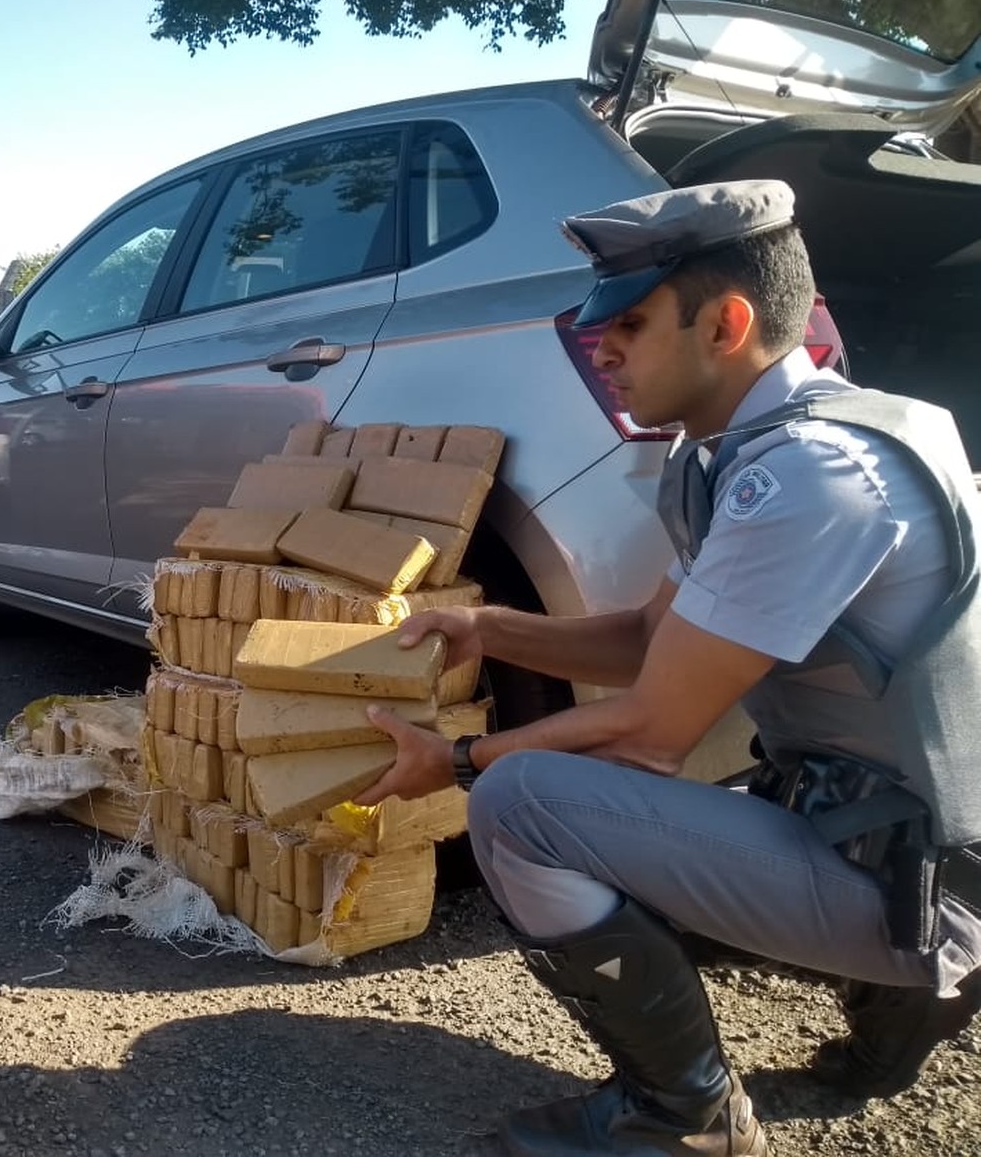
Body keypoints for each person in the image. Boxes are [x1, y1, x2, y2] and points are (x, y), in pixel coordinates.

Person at [353, 179, 981, 1157]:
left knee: (519, 804)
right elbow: (655, 637)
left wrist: (460, 757)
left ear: (726, 323)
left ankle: (681, 1116)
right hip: (888, 830)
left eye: (630, 324)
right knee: (618, 815)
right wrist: (489, 629)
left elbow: (651, 733)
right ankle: (903, 996)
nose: (599, 349)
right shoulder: (772, 443)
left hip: (928, 871)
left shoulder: (808, 474)